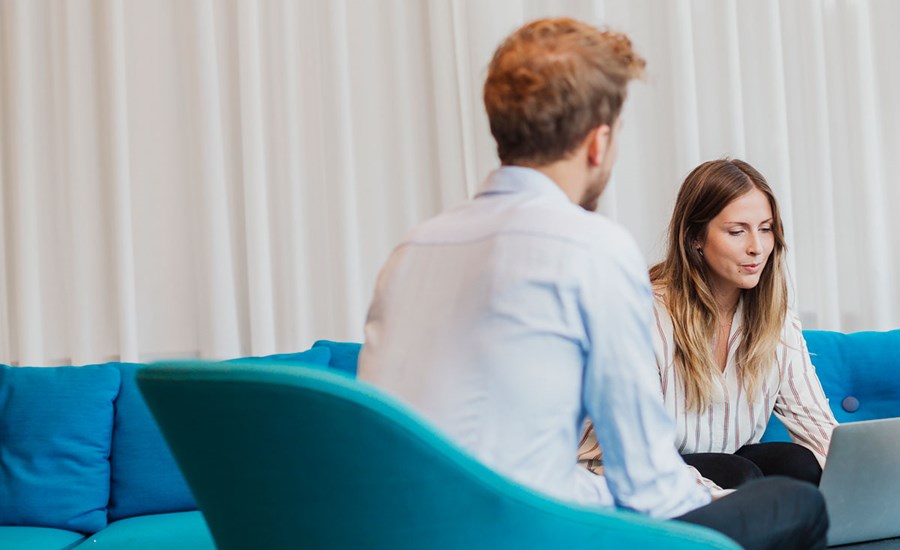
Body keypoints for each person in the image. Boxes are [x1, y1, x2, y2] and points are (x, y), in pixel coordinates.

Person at [359, 18, 827, 549]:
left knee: (776, 471)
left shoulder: (412, 251)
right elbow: (646, 481)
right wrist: (735, 505)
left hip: (411, 528)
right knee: (797, 504)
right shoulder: (589, 249)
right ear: (598, 143)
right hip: (545, 526)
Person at [579, 159, 838, 490]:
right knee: (741, 476)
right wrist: (745, 506)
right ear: (695, 237)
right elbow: (639, 453)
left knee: (798, 464)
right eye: (737, 231)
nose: (756, 248)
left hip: (717, 466)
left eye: (765, 228)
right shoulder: (641, 315)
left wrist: (869, 486)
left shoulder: (777, 319)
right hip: (618, 475)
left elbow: (822, 434)